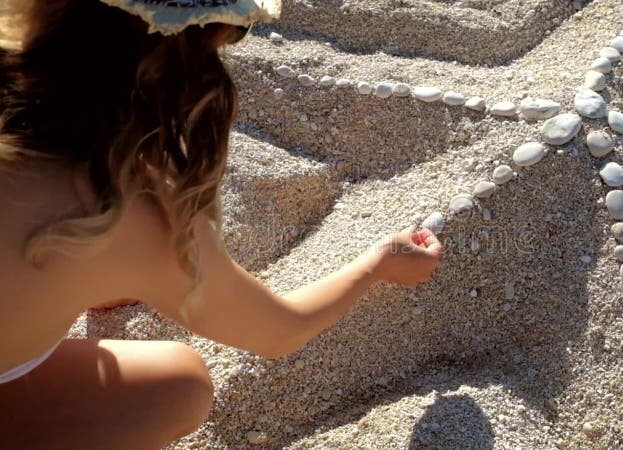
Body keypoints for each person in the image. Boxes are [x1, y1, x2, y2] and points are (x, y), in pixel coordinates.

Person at [0, 1, 444, 448]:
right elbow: (277, 331)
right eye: (234, 32)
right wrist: (380, 264)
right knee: (177, 387)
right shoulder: (121, 211)